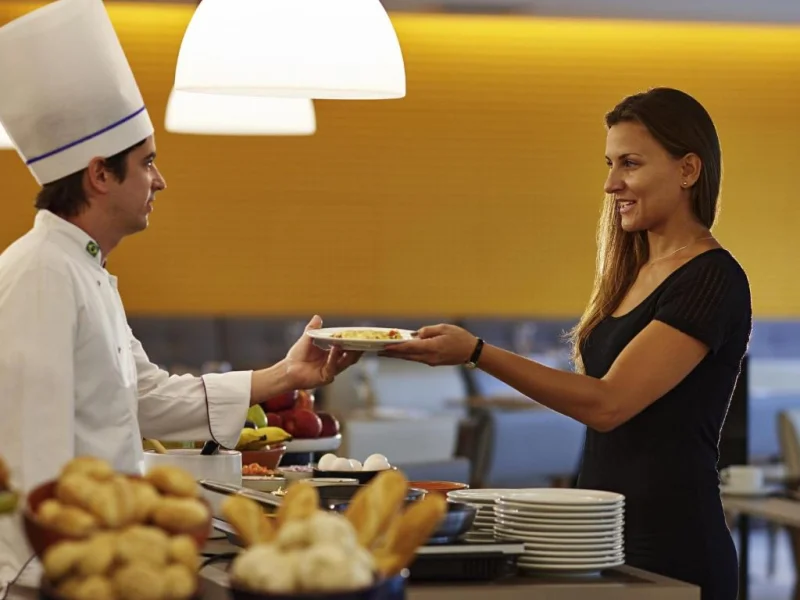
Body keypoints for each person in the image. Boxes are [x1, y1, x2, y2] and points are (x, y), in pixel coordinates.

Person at [0, 0, 359, 597]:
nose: (160, 181)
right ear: (99, 175)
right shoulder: (40, 273)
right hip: (54, 576)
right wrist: (74, 575)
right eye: (148, 163)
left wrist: (284, 375)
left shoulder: (81, 267)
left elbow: (144, 397)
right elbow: (29, 458)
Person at [383, 87, 751, 600]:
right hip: (598, 538)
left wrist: (476, 353)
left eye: (630, 163)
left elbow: (608, 404)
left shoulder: (712, 279)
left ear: (688, 169)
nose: (611, 183)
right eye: (610, 163)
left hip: (673, 545)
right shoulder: (633, 273)